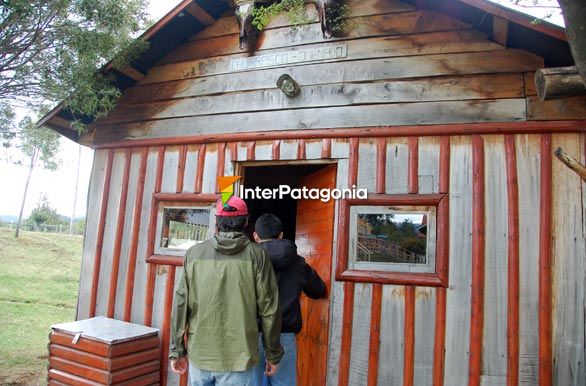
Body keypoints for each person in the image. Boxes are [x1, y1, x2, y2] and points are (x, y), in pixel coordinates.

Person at [169, 197, 284, 386]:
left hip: (201, 355)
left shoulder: (194, 254)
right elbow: (269, 310)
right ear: (246, 222)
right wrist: (273, 354)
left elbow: (181, 304)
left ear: (217, 222)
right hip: (240, 359)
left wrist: (177, 351)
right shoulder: (257, 256)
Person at [252, 213, 327, 386]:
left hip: (250, 335)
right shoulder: (298, 263)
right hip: (283, 335)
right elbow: (318, 290)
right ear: (281, 235)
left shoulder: (247, 260)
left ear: (256, 236)